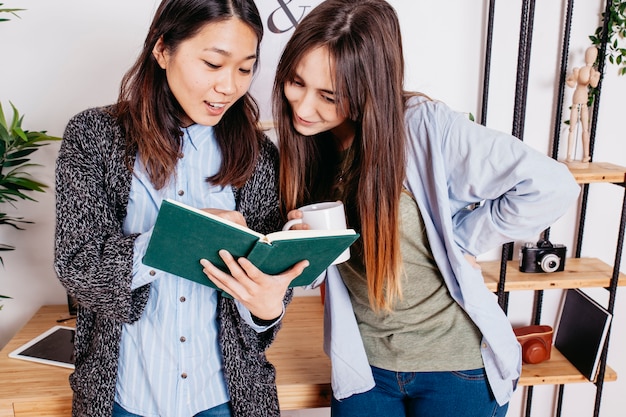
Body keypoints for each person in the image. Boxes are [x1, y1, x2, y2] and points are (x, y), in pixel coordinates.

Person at [273, 0, 581, 416]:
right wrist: (301, 249)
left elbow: (552, 185)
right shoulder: (309, 145)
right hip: (366, 369)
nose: (304, 108)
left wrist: (464, 238)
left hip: (455, 369)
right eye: (295, 82)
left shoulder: (424, 127)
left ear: (368, 91)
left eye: (329, 96)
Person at [54, 1, 307, 416]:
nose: (230, 86)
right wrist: (181, 236)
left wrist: (268, 307)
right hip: (124, 398)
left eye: (245, 69)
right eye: (213, 63)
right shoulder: (93, 137)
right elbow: (78, 267)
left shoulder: (260, 156)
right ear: (162, 50)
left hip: (227, 399)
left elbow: (261, 320)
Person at [565, 45, 601, 166]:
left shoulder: (592, 71)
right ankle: (569, 154)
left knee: (585, 128)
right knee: (572, 128)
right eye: (588, 54)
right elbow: (570, 83)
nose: (589, 57)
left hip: (584, 100)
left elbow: (594, 84)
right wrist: (573, 75)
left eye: (592, 55)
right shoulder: (580, 69)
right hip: (576, 98)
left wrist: (595, 77)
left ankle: (586, 154)